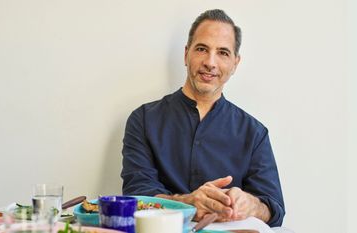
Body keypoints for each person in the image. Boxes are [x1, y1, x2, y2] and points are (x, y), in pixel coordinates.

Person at [121, 9, 285, 227]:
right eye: (202, 49)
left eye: (223, 53)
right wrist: (187, 204)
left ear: (235, 63)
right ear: (186, 54)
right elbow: (136, 195)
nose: (210, 62)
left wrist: (251, 204)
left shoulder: (254, 133)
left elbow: (274, 209)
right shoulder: (142, 120)